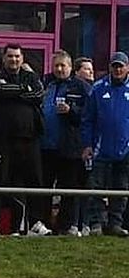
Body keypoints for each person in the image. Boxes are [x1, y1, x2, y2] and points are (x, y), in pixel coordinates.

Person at [0, 44, 45, 235]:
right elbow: (0, 90)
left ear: (22, 58)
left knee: (33, 180)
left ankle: (35, 222)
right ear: (4, 59)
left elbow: (38, 94)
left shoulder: (31, 77)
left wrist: (15, 92)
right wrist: (22, 91)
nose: (14, 60)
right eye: (10, 56)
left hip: (29, 140)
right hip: (2, 141)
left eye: (17, 57)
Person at [35, 51, 90, 235]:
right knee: (44, 187)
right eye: (56, 65)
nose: (59, 69)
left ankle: (65, 226)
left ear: (70, 67)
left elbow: (89, 115)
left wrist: (71, 110)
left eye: (63, 66)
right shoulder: (46, 83)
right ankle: (43, 224)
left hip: (69, 148)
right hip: (46, 146)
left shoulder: (80, 87)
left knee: (68, 189)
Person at [81, 51, 129, 237]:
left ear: (127, 68)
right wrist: (87, 144)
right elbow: (87, 119)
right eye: (114, 66)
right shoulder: (98, 88)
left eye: (121, 66)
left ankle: (116, 223)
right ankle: (96, 224)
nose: (117, 69)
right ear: (110, 67)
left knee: (122, 187)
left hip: (125, 150)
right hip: (101, 149)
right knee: (96, 187)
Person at [73, 57, 96, 235]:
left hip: (92, 147)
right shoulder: (77, 89)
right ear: (77, 71)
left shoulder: (94, 90)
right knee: (78, 186)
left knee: (89, 186)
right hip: (75, 146)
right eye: (86, 69)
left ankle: (86, 222)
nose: (91, 72)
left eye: (91, 69)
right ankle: (76, 223)